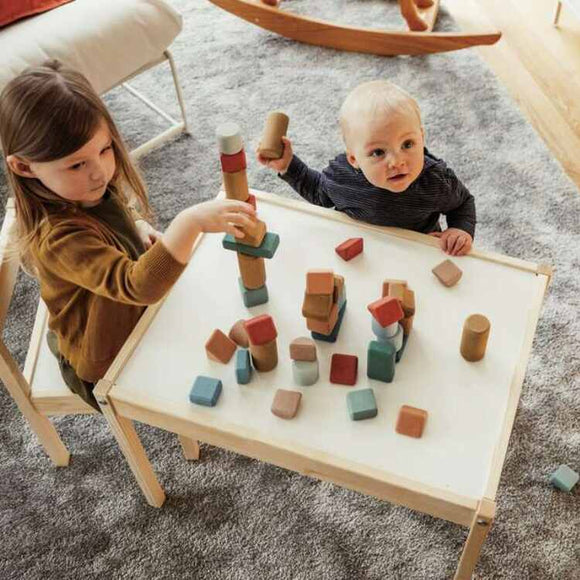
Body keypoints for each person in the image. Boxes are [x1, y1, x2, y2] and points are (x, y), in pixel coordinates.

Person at [0, 60, 255, 411]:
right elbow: (139, 287)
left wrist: (136, 226)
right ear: (24, 167)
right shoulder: (60, 238)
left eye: (105, 150)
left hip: (120, 303)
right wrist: (189, 222)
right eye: (76, 164)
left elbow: (116, 213)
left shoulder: (81, 190)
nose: (99, 172)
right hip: (100, 359)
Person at [257, 80, 475, 256]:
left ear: (422, 137)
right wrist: (287, 166)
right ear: (354, 159)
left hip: (417, 251)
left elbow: (463, 203)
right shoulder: (343, 177)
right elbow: (319, 192)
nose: (397, 162)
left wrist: (460, 230)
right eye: (378, 152)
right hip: (363, 251)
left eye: (407, 144)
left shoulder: (435, 180)